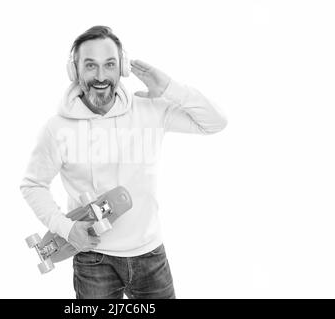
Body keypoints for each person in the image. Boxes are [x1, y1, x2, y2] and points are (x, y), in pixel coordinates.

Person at [20, 25, 228, 299]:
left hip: (150, 255)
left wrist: (168, 87)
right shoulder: (57, 128)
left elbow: (215, 122)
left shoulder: (150, 109)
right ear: (75, 71)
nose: (101, 76)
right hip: (93, 260)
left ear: (122, 68)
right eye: (90, 65)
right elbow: (33, 184)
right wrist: (67, 229)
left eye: (110, 64)